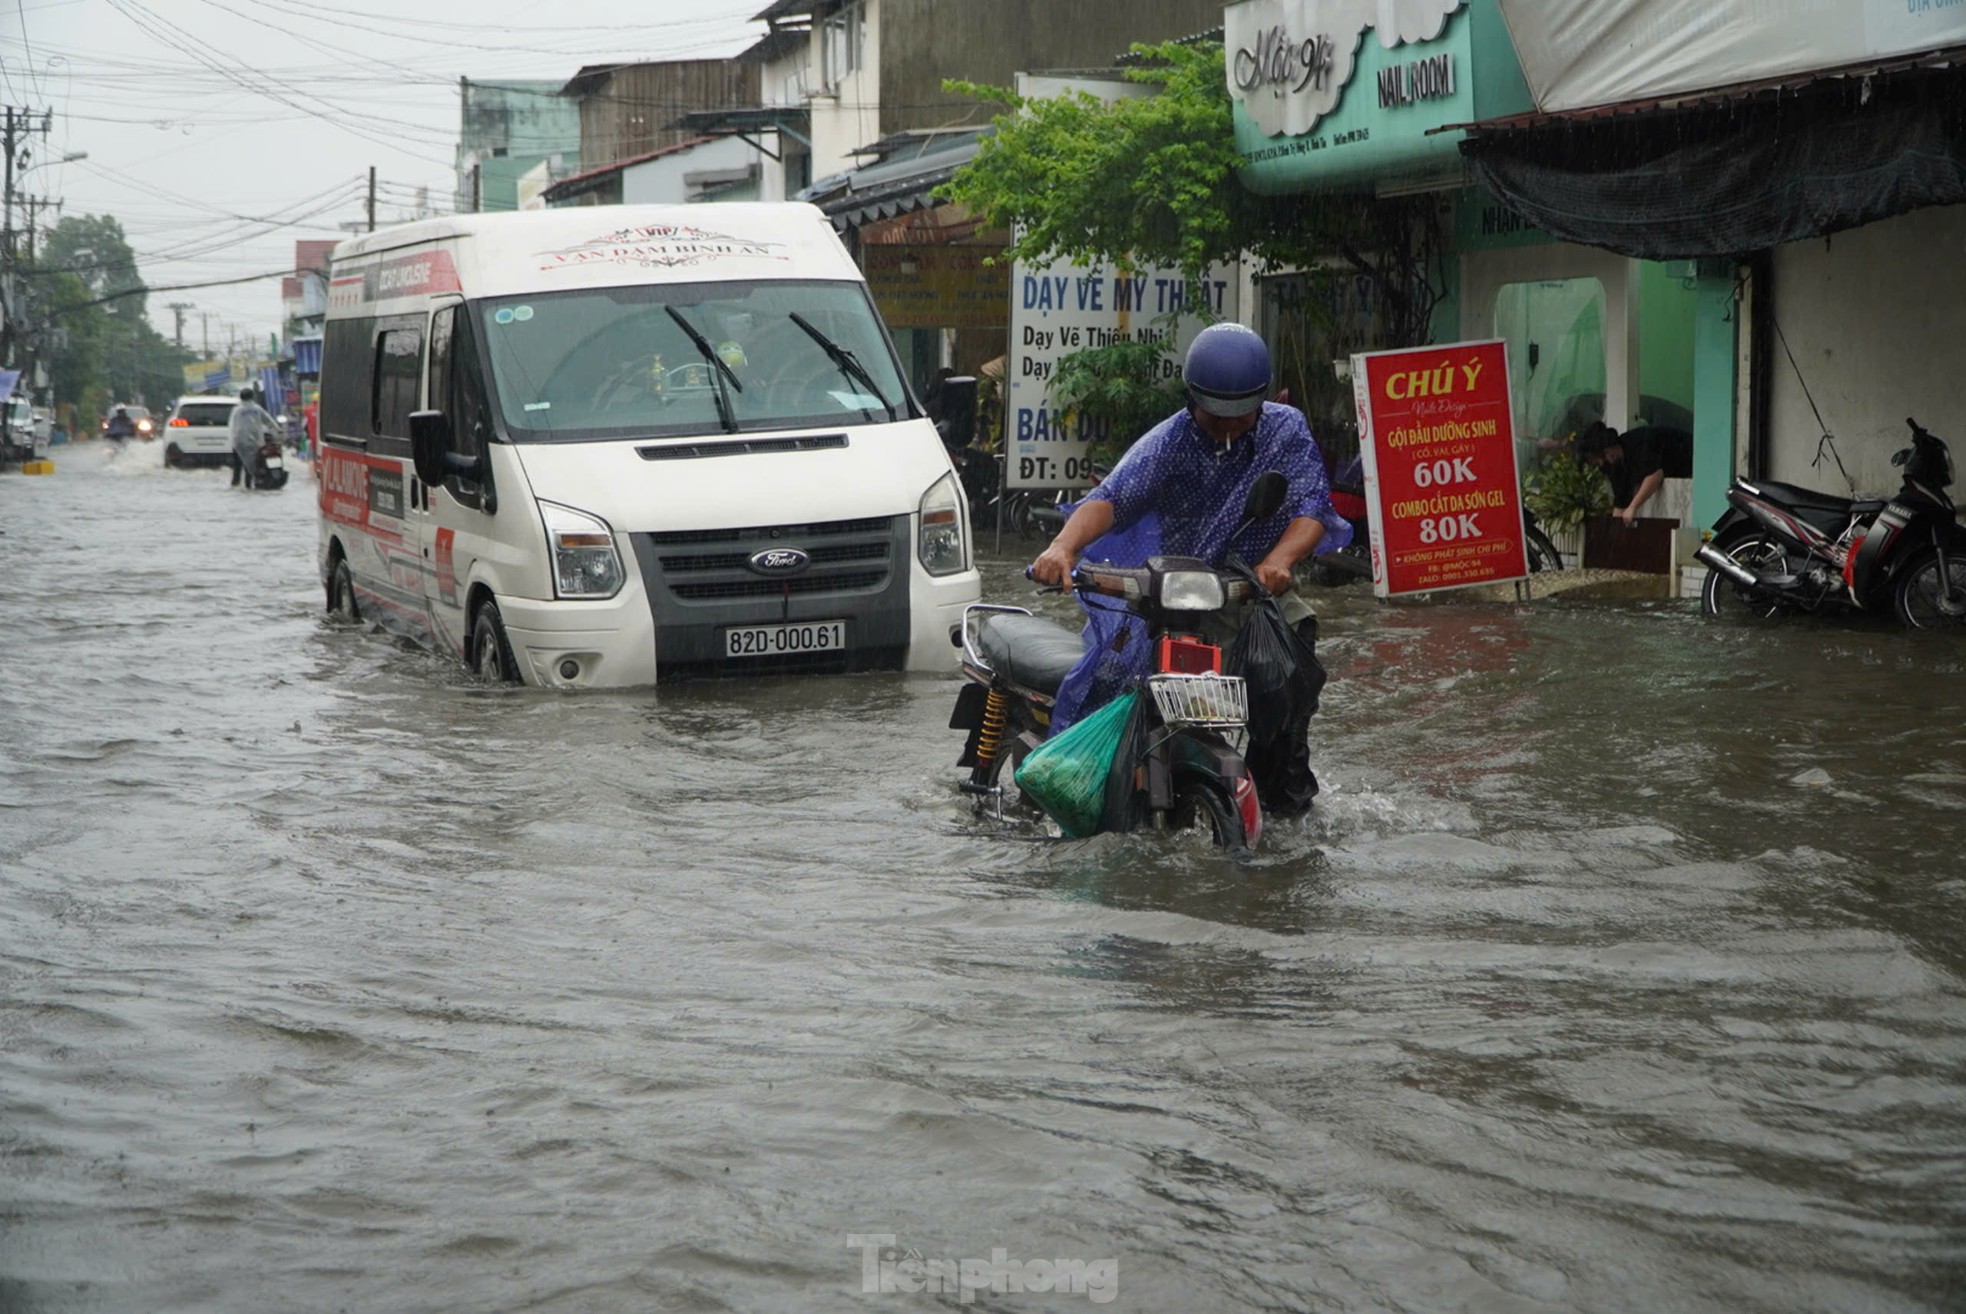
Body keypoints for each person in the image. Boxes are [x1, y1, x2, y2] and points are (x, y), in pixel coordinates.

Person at [1029, 322, 1351, 815]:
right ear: (1190, 399)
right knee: (1120, 689)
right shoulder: (1168, 443)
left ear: (1261, 402)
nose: (1226, 428)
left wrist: (1279, 560)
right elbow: (1111, 499)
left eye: (1239, 418)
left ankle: (1285, 805)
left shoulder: (1286, 430)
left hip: (1255, 589)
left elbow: (1312, 506)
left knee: (1290, 677)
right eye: (1214, 416)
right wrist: (1062, 547)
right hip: (1181, 594)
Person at [1575, 420, 1693, 525]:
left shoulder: (1640, 442)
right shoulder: (1613, 467)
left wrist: (1633, 507)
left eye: (1603, 456)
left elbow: (1655, 475)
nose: (1601, 463)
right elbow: (1621, 502)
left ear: (1608, 448)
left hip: (1690, 459)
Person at [229, 387, 276, 488]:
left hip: (238, 442)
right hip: (255, 442)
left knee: (237, 467)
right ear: (252, 396)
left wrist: (232, 441)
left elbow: (232, 426)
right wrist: (278, 430)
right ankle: (248, 487)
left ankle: (235, 485)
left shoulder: (237, 410)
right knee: (251, 466)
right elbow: (269, 422)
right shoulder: (257, 409)